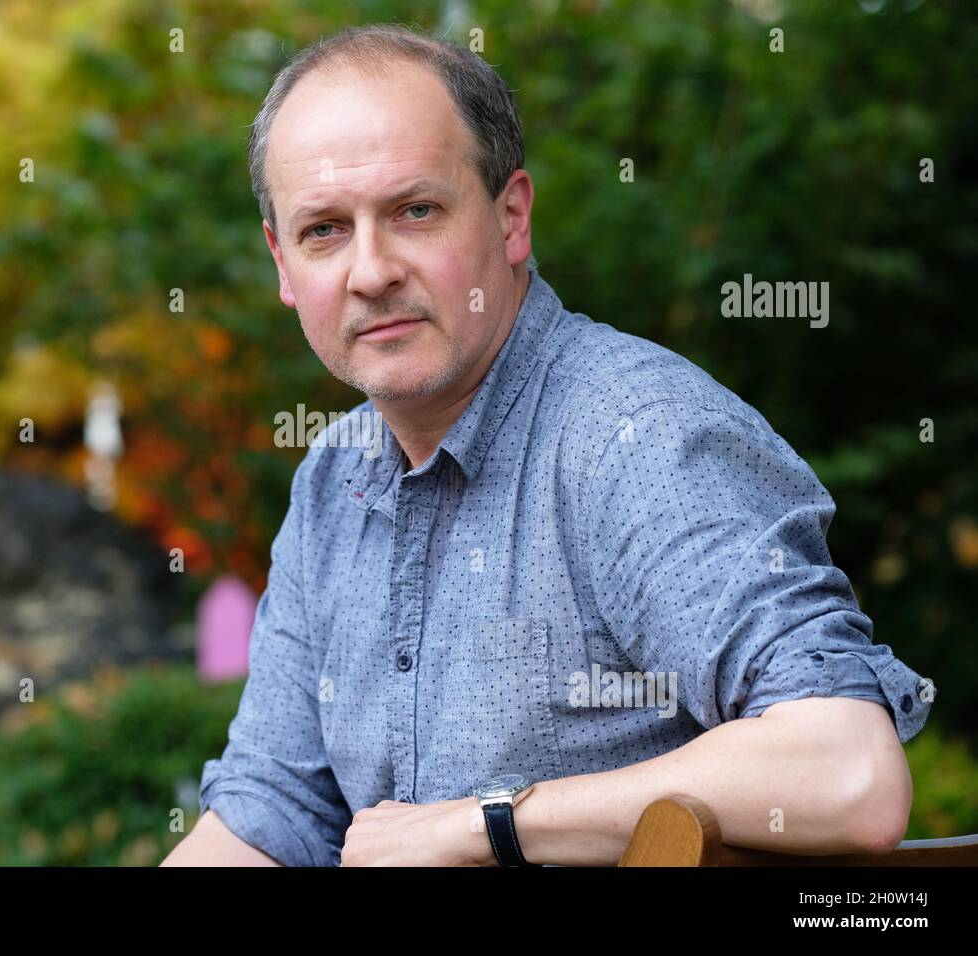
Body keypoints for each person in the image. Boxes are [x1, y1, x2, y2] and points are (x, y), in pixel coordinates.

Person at [161, 24, 931, 867]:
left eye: (415, 211)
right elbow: (273, 815)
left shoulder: (632, 436)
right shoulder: (333, 478)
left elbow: (849, 771)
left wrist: (484, 825)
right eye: (324, 230)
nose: (370, 271)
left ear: (512, 216)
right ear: (281, 262)